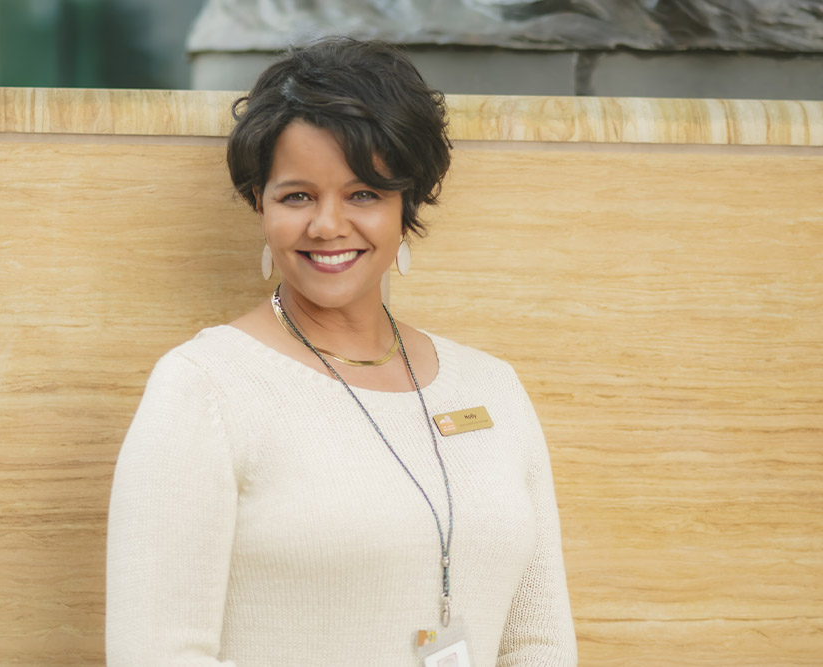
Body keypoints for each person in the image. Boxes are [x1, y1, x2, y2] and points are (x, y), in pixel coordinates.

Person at [106, 37, 577, 666]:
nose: (328, 225)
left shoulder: (491, 388)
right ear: (260, 204)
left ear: (406, 204)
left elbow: (537, 641)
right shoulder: (204, 388)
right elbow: (158, 655)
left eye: (363, 194)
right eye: (298, 195)